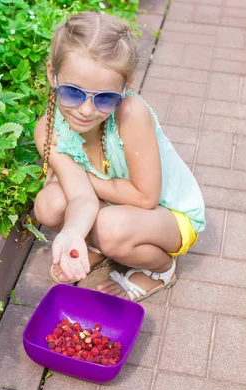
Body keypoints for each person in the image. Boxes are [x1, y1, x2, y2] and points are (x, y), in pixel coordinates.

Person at [33, 11, 206, 302]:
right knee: (50, 204)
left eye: (104, 97)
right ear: (52, 74)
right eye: (73, 93)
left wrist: (84, 178)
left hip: (169, 215)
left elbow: (145, 197)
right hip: (118, 203)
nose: (87, 110)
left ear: (126, 88)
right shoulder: (48, 129)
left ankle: (161, 269)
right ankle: (100, 246)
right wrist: (73, 233)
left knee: (108, 226)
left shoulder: (130, 113)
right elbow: (80, 197)